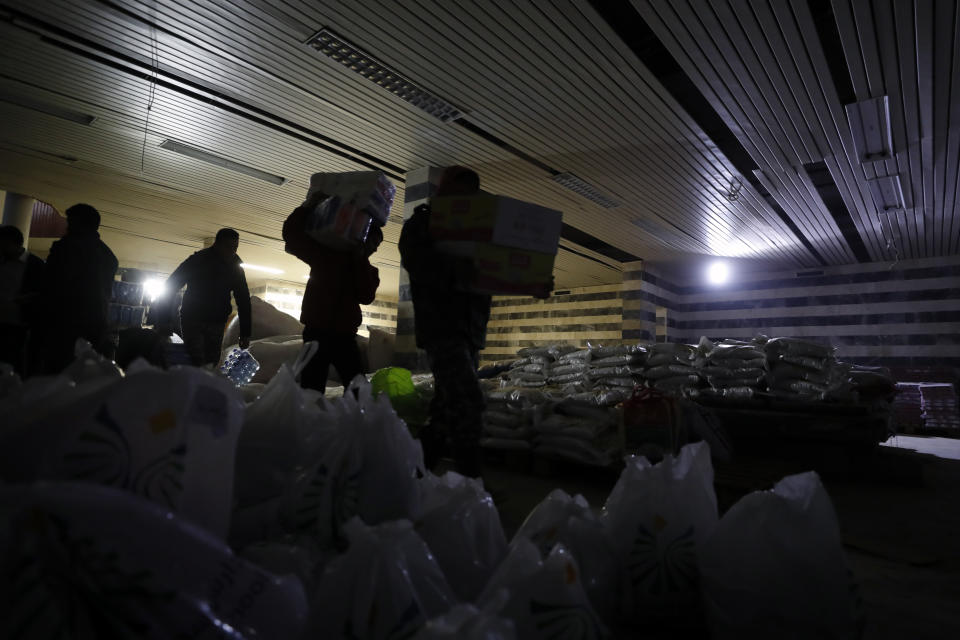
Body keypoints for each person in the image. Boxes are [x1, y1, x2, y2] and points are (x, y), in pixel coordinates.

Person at [397, 166, 494, 478]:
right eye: (457, 191)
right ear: (442, 192)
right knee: (469, 400)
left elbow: (500, 271)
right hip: (442, 328)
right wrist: (459, 269)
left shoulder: (481, 229)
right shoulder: (421, 224)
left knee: (444, 409)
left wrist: (534, 283)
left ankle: (415, 474)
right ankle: (472, 482)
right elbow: (418, 263)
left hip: (470, 331)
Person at [282, 192, 382, 392]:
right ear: (360, 237)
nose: (374, 249)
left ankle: (355, 421)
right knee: (311, 387)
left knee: (358, 389)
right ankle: (310, 420)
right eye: (371, 242)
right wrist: (308, 206)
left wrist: (359, 260)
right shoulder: (328, 256)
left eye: (376, 246)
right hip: (316, 333)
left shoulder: (369, 271)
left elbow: (366, 296)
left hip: (345, 337)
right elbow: (292, 237)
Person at [39, 203, 119, 373]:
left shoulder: (67, 247)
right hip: (96, 325)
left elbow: (53, 285)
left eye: (70, 222)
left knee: (54, 373)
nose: (67, 227)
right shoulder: (108, 255)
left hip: (62, 324)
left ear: (79, 224)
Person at [159, 228, 252, 367]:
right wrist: (164, 321)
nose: (232, 252)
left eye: (235, 248)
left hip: (216, 322)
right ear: (217, 244)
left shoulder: (235, 267)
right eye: (228, 247)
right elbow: (171, 285)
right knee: (196, 361)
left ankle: (202, 385)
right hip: (193, 319)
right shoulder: (198, 260)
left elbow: (243, 299)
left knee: (211, 364)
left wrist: (245, 333)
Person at [0, 225, 45, 375]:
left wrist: (28, 299)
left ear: (14, 243)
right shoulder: (3, 261)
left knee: (14, 362)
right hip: (4, 320)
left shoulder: (36, 265)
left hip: (19, 325)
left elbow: (44, 293)